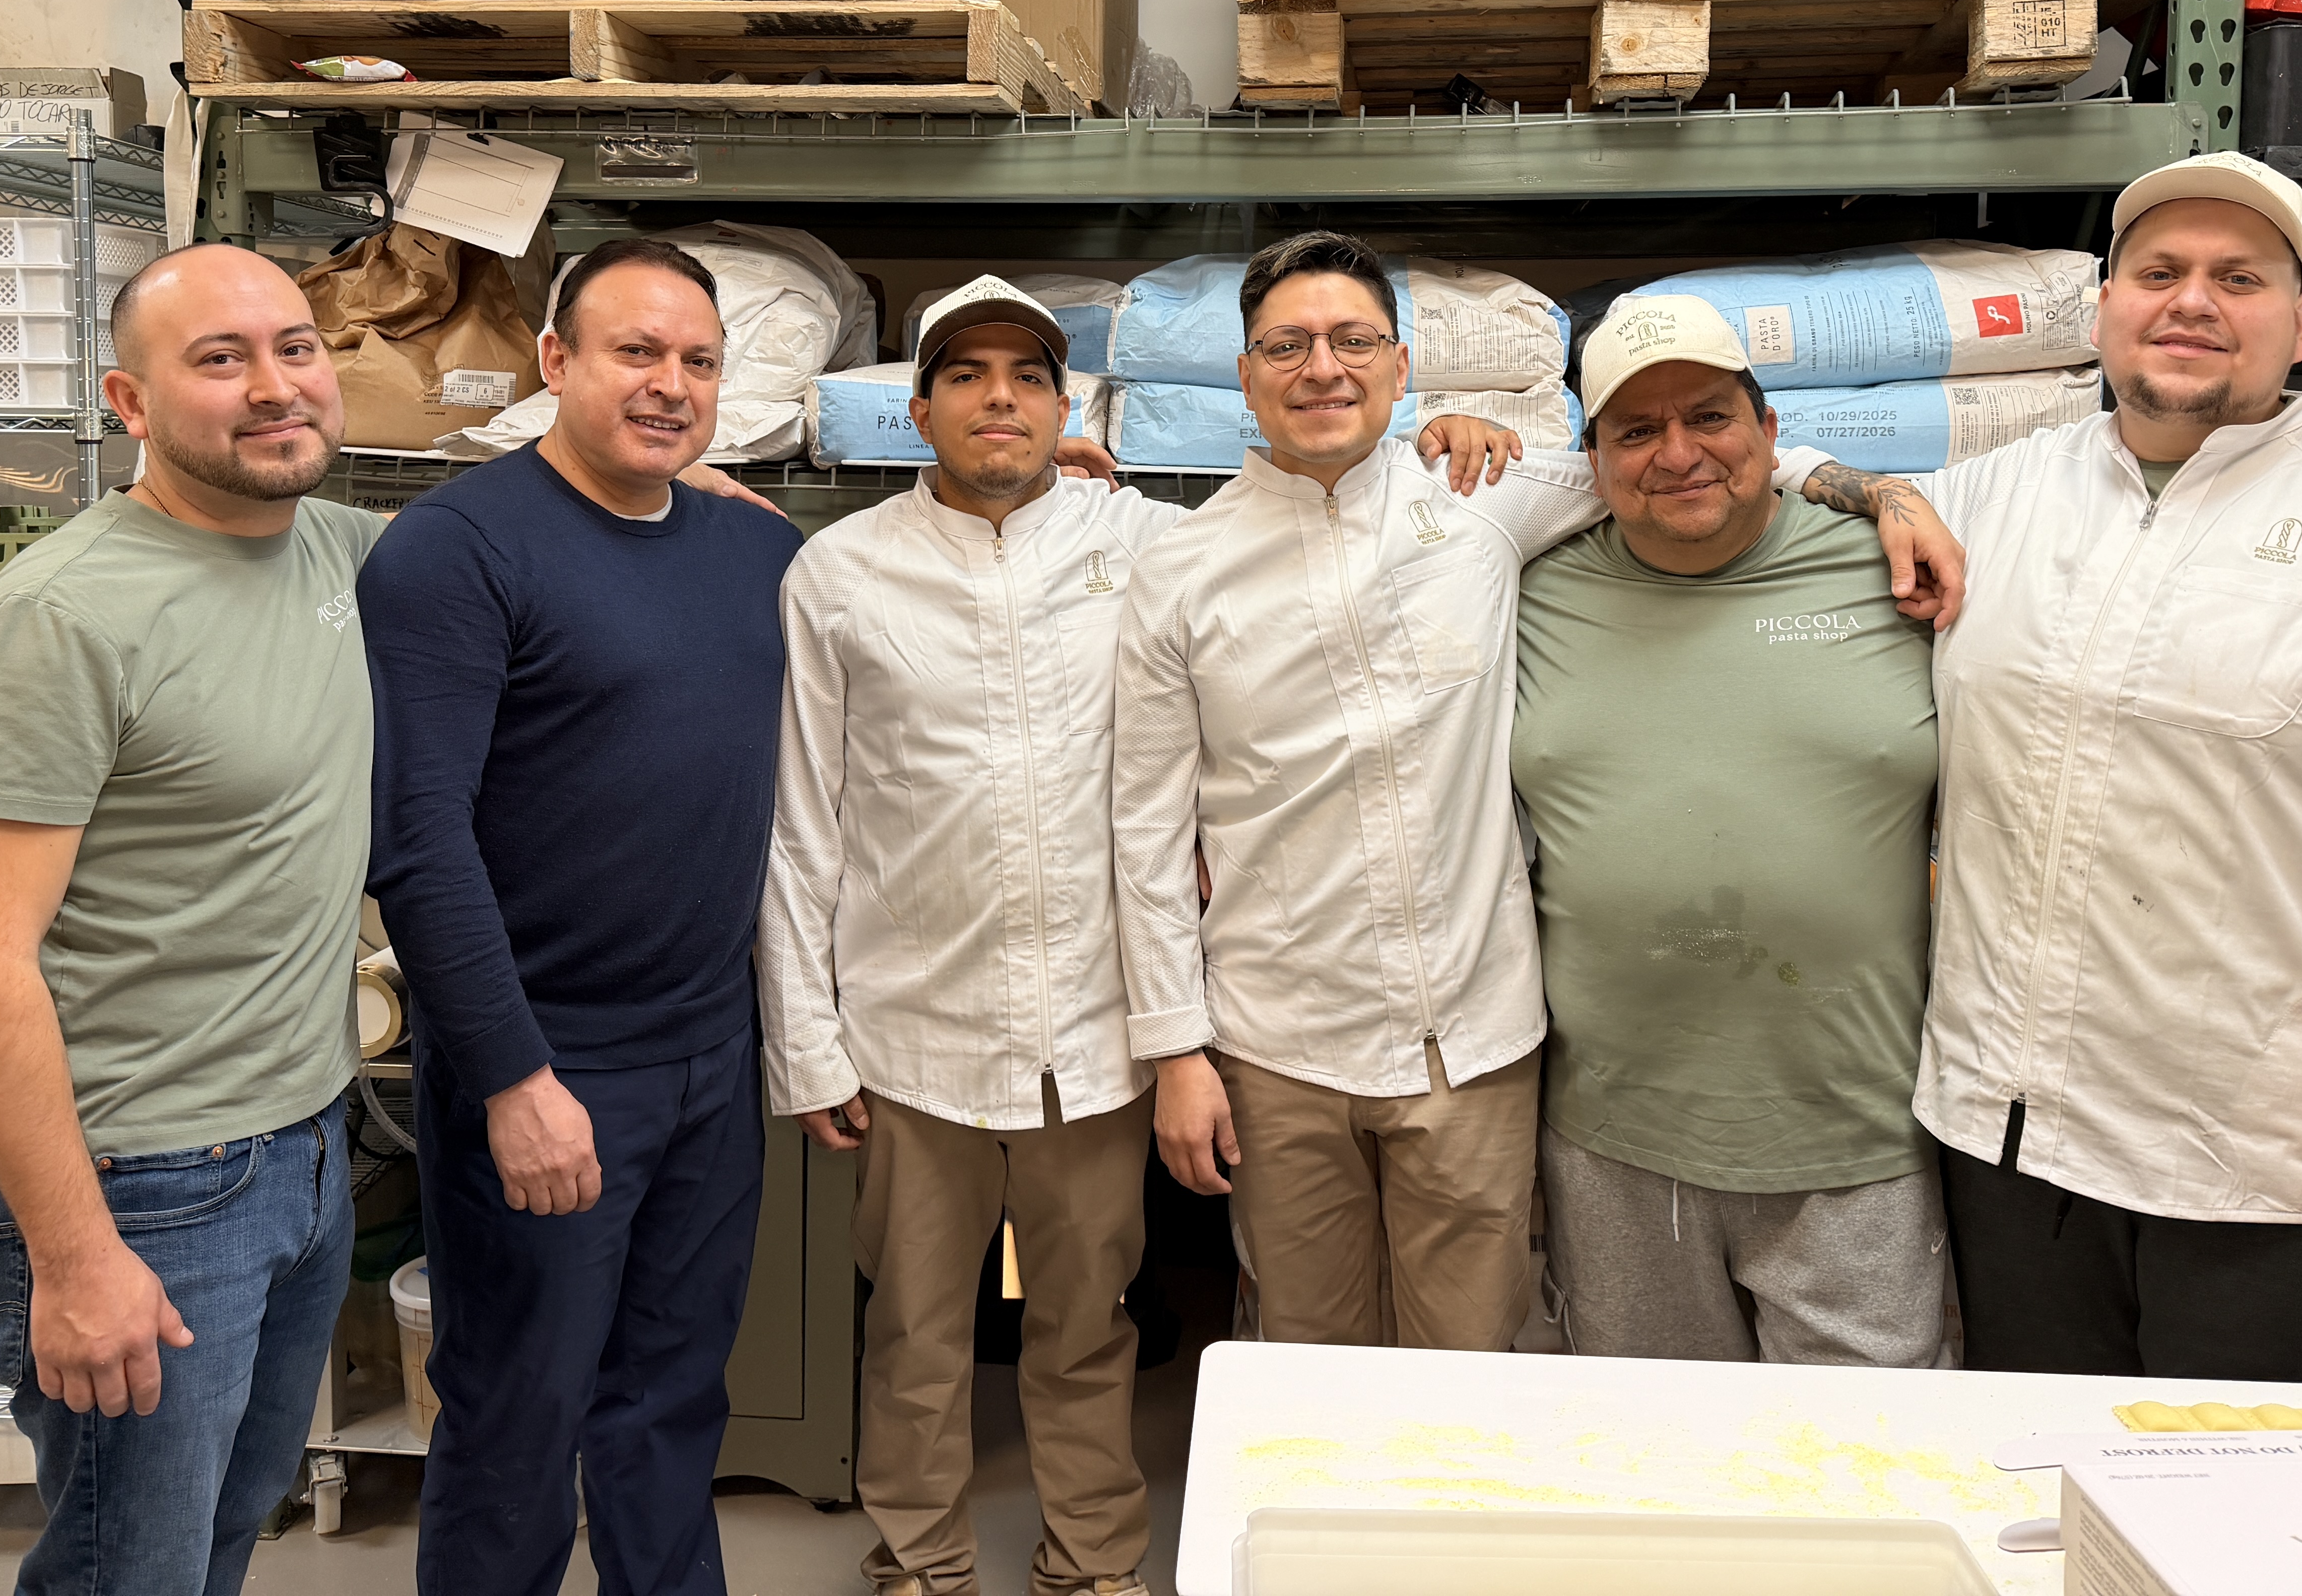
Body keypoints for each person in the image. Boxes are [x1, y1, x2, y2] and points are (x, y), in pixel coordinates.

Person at [761, 275, 1525, 1596]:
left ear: (1069, 406)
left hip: (1096, 1031)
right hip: (912, 1027)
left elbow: (1302, 508)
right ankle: (923, 1558)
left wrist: (1452, 429)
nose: (999, 398)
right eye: (967, 376)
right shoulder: (840, 567)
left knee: (1086, 1322)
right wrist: (811, 1041)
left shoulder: (1144, 543)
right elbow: (804, 817)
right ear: (919, 406)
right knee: (917, 1329)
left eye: (1028, 378)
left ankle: (1095, 1560)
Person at [1797, 152, 2302, 1383]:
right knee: (2040, 1512)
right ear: (2106, 307)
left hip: (2285, 1170)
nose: (2193, 302)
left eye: (2241, 278)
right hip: (2018, 1147)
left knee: (2265, 1534)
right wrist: (1883, 487)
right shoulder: (2001, 493)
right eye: (2159, 272)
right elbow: (1759, 461)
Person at [1111, 232, 1964, 1351]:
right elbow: (1145, 823)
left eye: (1353, 340)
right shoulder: (1179, 565)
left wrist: (1872, 489)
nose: (1323, 367)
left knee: (1480, 1362)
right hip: (1280, 1037)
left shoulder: (1488, 504)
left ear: (1403, 367)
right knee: (1305, 1355)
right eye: (1288, 345)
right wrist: (1176, 1048)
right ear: (1247, 376)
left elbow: (1689, 460)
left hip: (1478, 1041)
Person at [0, 243, 378, 1596]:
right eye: (219, 359)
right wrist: (73, 1255)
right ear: (128, 401)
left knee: (217, 1542)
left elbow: (534, 541)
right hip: (143, 1188)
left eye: (295, 347)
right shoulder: (59, 620)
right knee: (130, 1572)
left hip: (301, 1153)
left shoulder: (335, 552)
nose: (275, 386)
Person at [361, 236, 801, 1596]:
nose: (670, 385)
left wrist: (1063, 491)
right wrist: (511, 1075)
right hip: (549, 1057)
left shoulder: (747, 544)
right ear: (555, 362)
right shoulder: (454, 551)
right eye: (636, 352)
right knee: (514, 1417)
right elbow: (417, 840)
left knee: (672, 1402)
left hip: (708, 1051)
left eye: (699, 362)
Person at [1514, 293, 1948, 1367]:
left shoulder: (1898, 569)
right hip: (1613, 1138)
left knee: (1872, 1474)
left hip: (1855, 1131)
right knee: (1660, 1478)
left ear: (1767, 429)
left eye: (1709, 416)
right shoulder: (1529, 588)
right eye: (1635, 431)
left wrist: (1879, 490)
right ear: (1592, 458)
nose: (1678, 454)